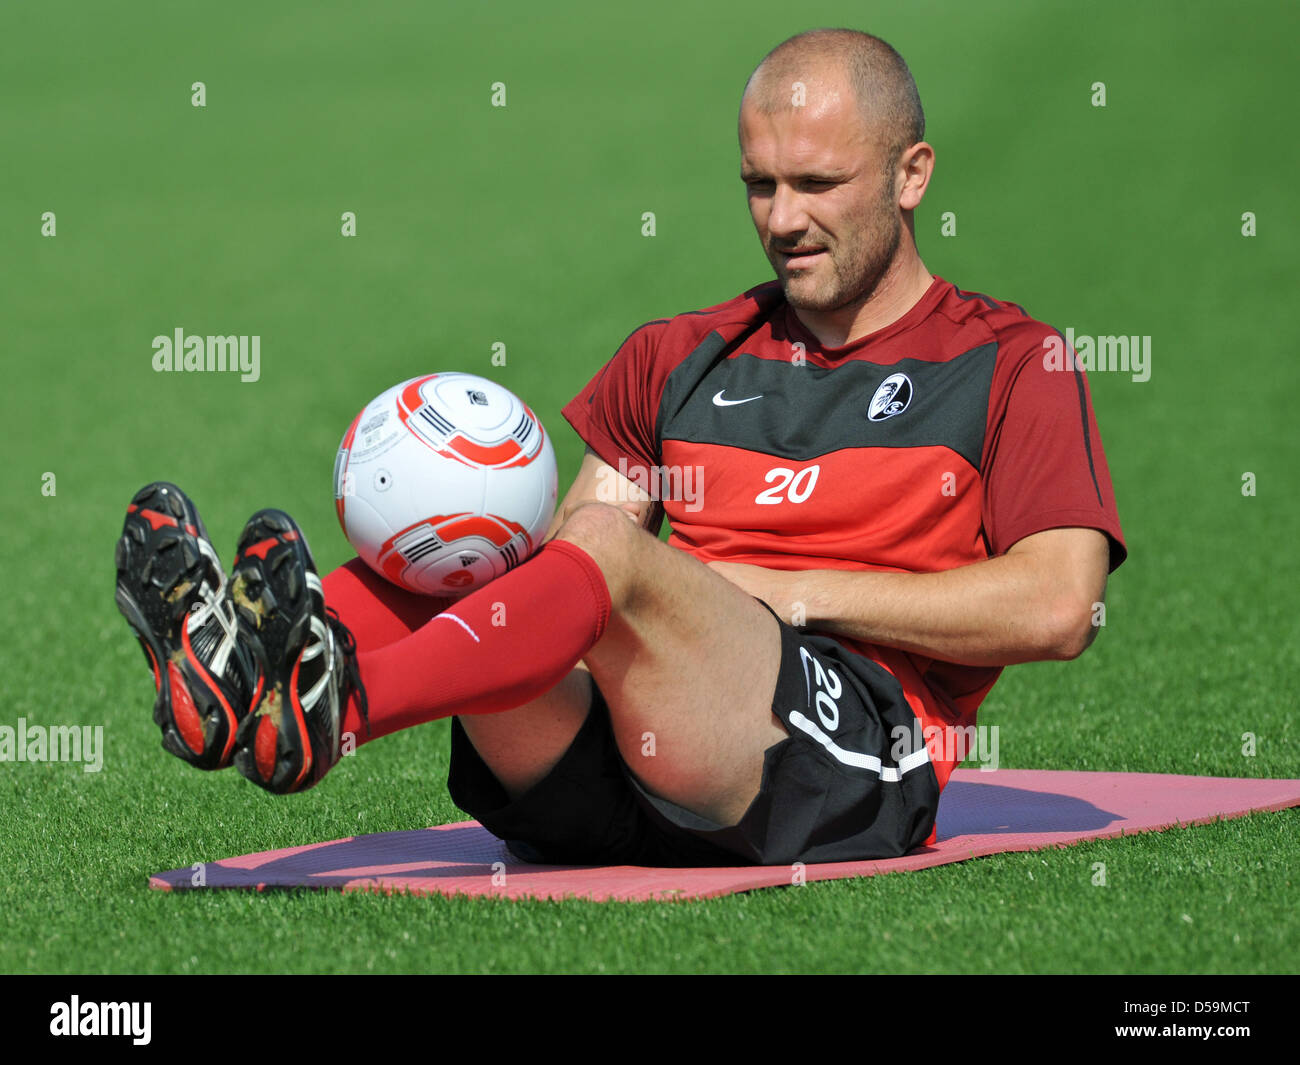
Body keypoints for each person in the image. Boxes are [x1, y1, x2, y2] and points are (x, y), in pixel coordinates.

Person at [114, 28, 1125, 867]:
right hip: (608, 779)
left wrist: (782, 592)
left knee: (602, 544)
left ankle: (341, 708)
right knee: (497, 544)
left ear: (912, 175)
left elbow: (1056, 606)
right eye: (758, 185)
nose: (782, 220)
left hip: (847, 763)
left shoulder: (1008, 362)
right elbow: (563, 574)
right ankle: (239, 672)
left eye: (816, 183)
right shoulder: (680, 355)